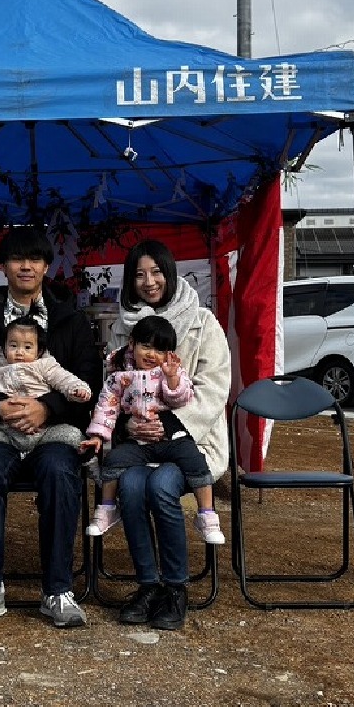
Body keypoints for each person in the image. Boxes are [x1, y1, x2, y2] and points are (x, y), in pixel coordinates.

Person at [0, 225, 102, 630]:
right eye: (17, 258)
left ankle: (58, 590)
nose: (26, 266)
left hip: (54, 431)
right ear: (3, 266)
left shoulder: (70, 320)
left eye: (35, 258)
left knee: (60, 470)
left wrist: (46, 409)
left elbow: (89, 380)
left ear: (47, 266)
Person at [103, 239, 231, 631]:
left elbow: (214, 388)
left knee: (160, 487)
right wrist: (127, 425)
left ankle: (175, 588)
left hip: (190, 443)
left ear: (170, 273)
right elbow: (110, 389)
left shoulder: (203, 322)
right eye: (140, 274)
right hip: (138, 443)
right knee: (131, 488)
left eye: (156, 272)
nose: (149, 282)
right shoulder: (121, 328)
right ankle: (147, 585)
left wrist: (170, 426)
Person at [79, 314, 225, 545]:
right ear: (132, 343)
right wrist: (97, 436)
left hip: (171, 439)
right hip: (137, 442)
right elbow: (107, 407)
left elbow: (182, 399)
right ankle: (107, 508)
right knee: (114, 460)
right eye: (146, 346)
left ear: (168, 354)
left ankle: (207, 514)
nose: (151, 355)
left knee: (195, 460)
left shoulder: (170, 373)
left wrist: (172, 379)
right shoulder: (119, 377)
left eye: (159, 350)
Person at [0, 315, 93, 484]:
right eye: (13, 346)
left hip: (44, 429)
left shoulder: (45, 365)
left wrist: (74, 391)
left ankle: (92, 464)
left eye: (27, 347)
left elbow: (64, 379)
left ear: (39, 350)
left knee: (72, 436)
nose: (19, 352)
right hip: (5, 429)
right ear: (4, 348)